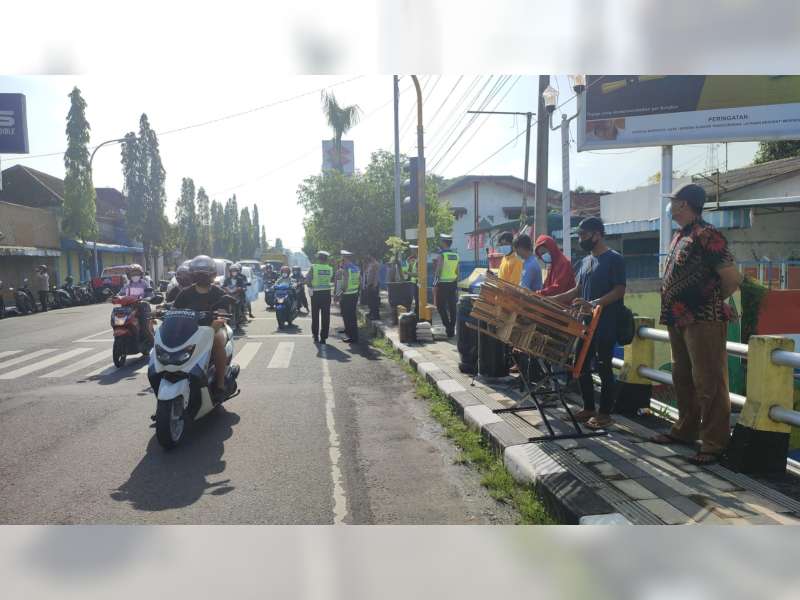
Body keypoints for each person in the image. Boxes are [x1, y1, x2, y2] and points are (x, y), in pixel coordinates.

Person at [651, 184, 742, 465]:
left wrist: (710, 300)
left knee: (709, 381)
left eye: (674, 201)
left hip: (703, 318)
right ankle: (685, 430)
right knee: (683, 377)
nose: (671, 206)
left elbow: (731, 278)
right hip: (678, 318)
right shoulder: (681, 235)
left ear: (686, 204)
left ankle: (714, 443)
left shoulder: (708, 235)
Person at [552, 217, 626, 430]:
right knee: (580, 365)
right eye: (579, 235)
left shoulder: (614, 259)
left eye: (583, 235)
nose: (580, 239)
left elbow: (619, 290)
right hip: (584, 325)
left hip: (605, 324)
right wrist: (552, 300)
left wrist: (593, 304)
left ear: (597, 234)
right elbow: (576, 291)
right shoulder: (585, 262)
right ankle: (588, 408)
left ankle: (604, 414)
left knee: (604, 368)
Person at [173, 255, 231, 403]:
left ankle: (220, 384)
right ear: (192, 274)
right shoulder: (186, 293)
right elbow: (174, 309)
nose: (201, 276)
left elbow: (224, 312)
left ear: (212, 275)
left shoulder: (218, 292)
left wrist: (219, 317)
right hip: (190, 329)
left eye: (205, 273)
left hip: (214, 328)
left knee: (217, 343)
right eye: (198, 273)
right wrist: (161, 310)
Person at [117, 263, 155, 344]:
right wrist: (116, 297)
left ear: (141, 274)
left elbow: (150, 294)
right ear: (128, 275)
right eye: (132, 274)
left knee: (145, 328)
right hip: (128, 308)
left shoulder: (144, 283)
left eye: (137, 273)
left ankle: (154, 344)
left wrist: (148, 298)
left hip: (142, 308)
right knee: (119, 323)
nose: (135, 275)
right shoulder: (126, 285)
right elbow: (120, 294)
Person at [432, 234, 459, 338]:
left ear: (443, 243)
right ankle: (452, 328)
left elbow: (438, 271)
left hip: (442, 284)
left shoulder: (442, 256)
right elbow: (457, 272)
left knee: (440, 306)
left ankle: (448, 326)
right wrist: (456, 285)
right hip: (452, 284)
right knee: (452, 307)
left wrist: (434, 284)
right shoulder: (456, 255)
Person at [306, 251, 333, 344]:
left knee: (315, 316)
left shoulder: (314, 267)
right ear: (326, 259)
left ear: (318, 258)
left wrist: (311, 287)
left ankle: (315, 336)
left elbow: (308, 280)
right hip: (327, 294)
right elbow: (332, 280)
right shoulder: (330, 268)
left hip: (316, 295)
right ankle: (324, 337)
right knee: (326, 316)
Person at [337, 250, 361, 344]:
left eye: (343, 258)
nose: (342, 260)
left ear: (345, 258)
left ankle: (352, 337)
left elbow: (345, 284)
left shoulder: (346, 268)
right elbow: (359, 280)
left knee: (348, 317)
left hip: (347, 295)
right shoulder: (356, 267)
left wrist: (339, 293)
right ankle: (350, 333)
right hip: (354, 294)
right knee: (351, 316)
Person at [222, 263, 248, 334]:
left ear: (238, 272)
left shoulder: (240, 279)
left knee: (238, 311)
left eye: (235, 271)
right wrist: (225, 289)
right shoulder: (227, 280)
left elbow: (244, 287)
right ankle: (227, 325)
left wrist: (241, 289)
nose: (234, 272)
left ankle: (238, 325)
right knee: (227, 311)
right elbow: (223, 287)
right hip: (229, 297)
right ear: (230, 272)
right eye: (232, 271)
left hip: (238, 297)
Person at [403, 245, 419, 314]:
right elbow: (408, 270)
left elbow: (418, 274)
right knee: (410, 299)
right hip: (412, 282)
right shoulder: (410, 259)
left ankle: (417, 314)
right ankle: (411, 313)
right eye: (411, 250)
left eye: (413, 250)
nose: (412, 252)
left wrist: (408, 273)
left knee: (417, 300)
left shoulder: (419, 260)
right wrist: (409, 264)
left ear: (416, 251)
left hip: (417, 282)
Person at [365, 254, 381, 321]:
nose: (368, 257)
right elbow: (368, 273)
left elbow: (376, 275)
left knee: (374, 301)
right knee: (370, 301)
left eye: (370, 256)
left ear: (372, 256)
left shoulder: (376, 264)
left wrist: (374, 285)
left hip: (373, 285)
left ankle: (376, 315)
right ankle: (371, 313)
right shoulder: (370, 264)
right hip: (369, 285)